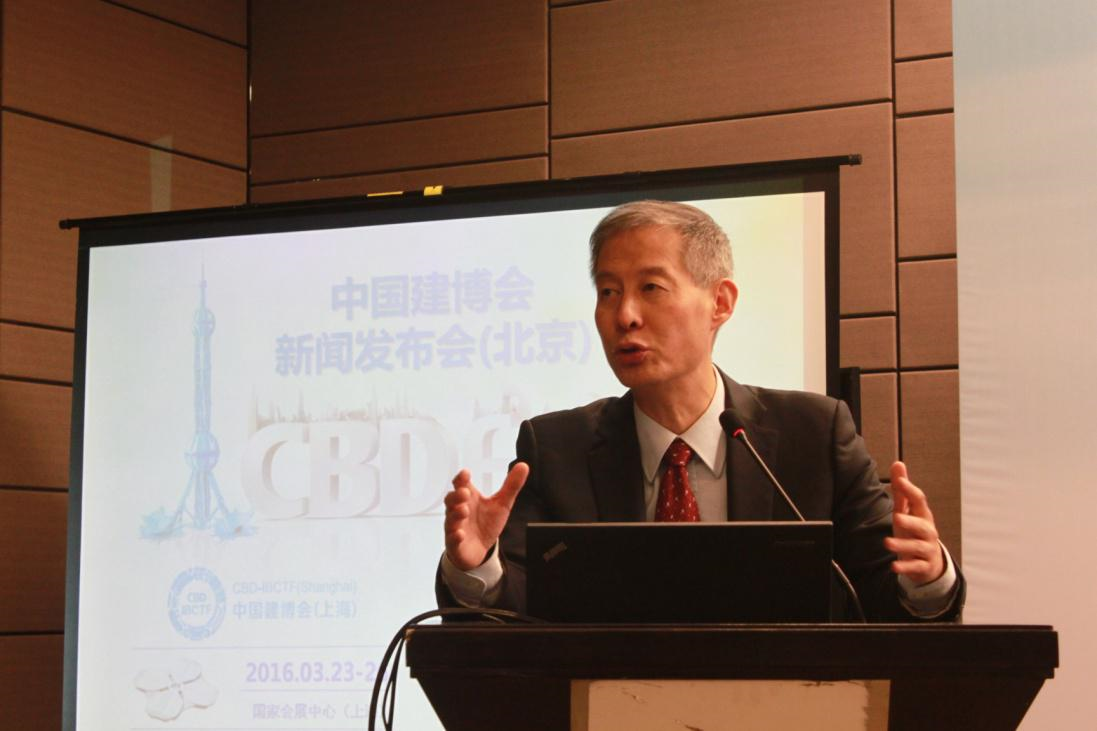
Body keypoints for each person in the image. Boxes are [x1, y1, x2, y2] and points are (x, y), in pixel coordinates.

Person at [438, 200, 963, 621]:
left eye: (651, 288)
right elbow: (521, 612)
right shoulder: (557, 449)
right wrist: (479, 566)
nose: (625, 315)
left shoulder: (814, 434)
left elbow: (879, 597)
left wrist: (928, 578)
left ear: (720, 303)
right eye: (608, 291)